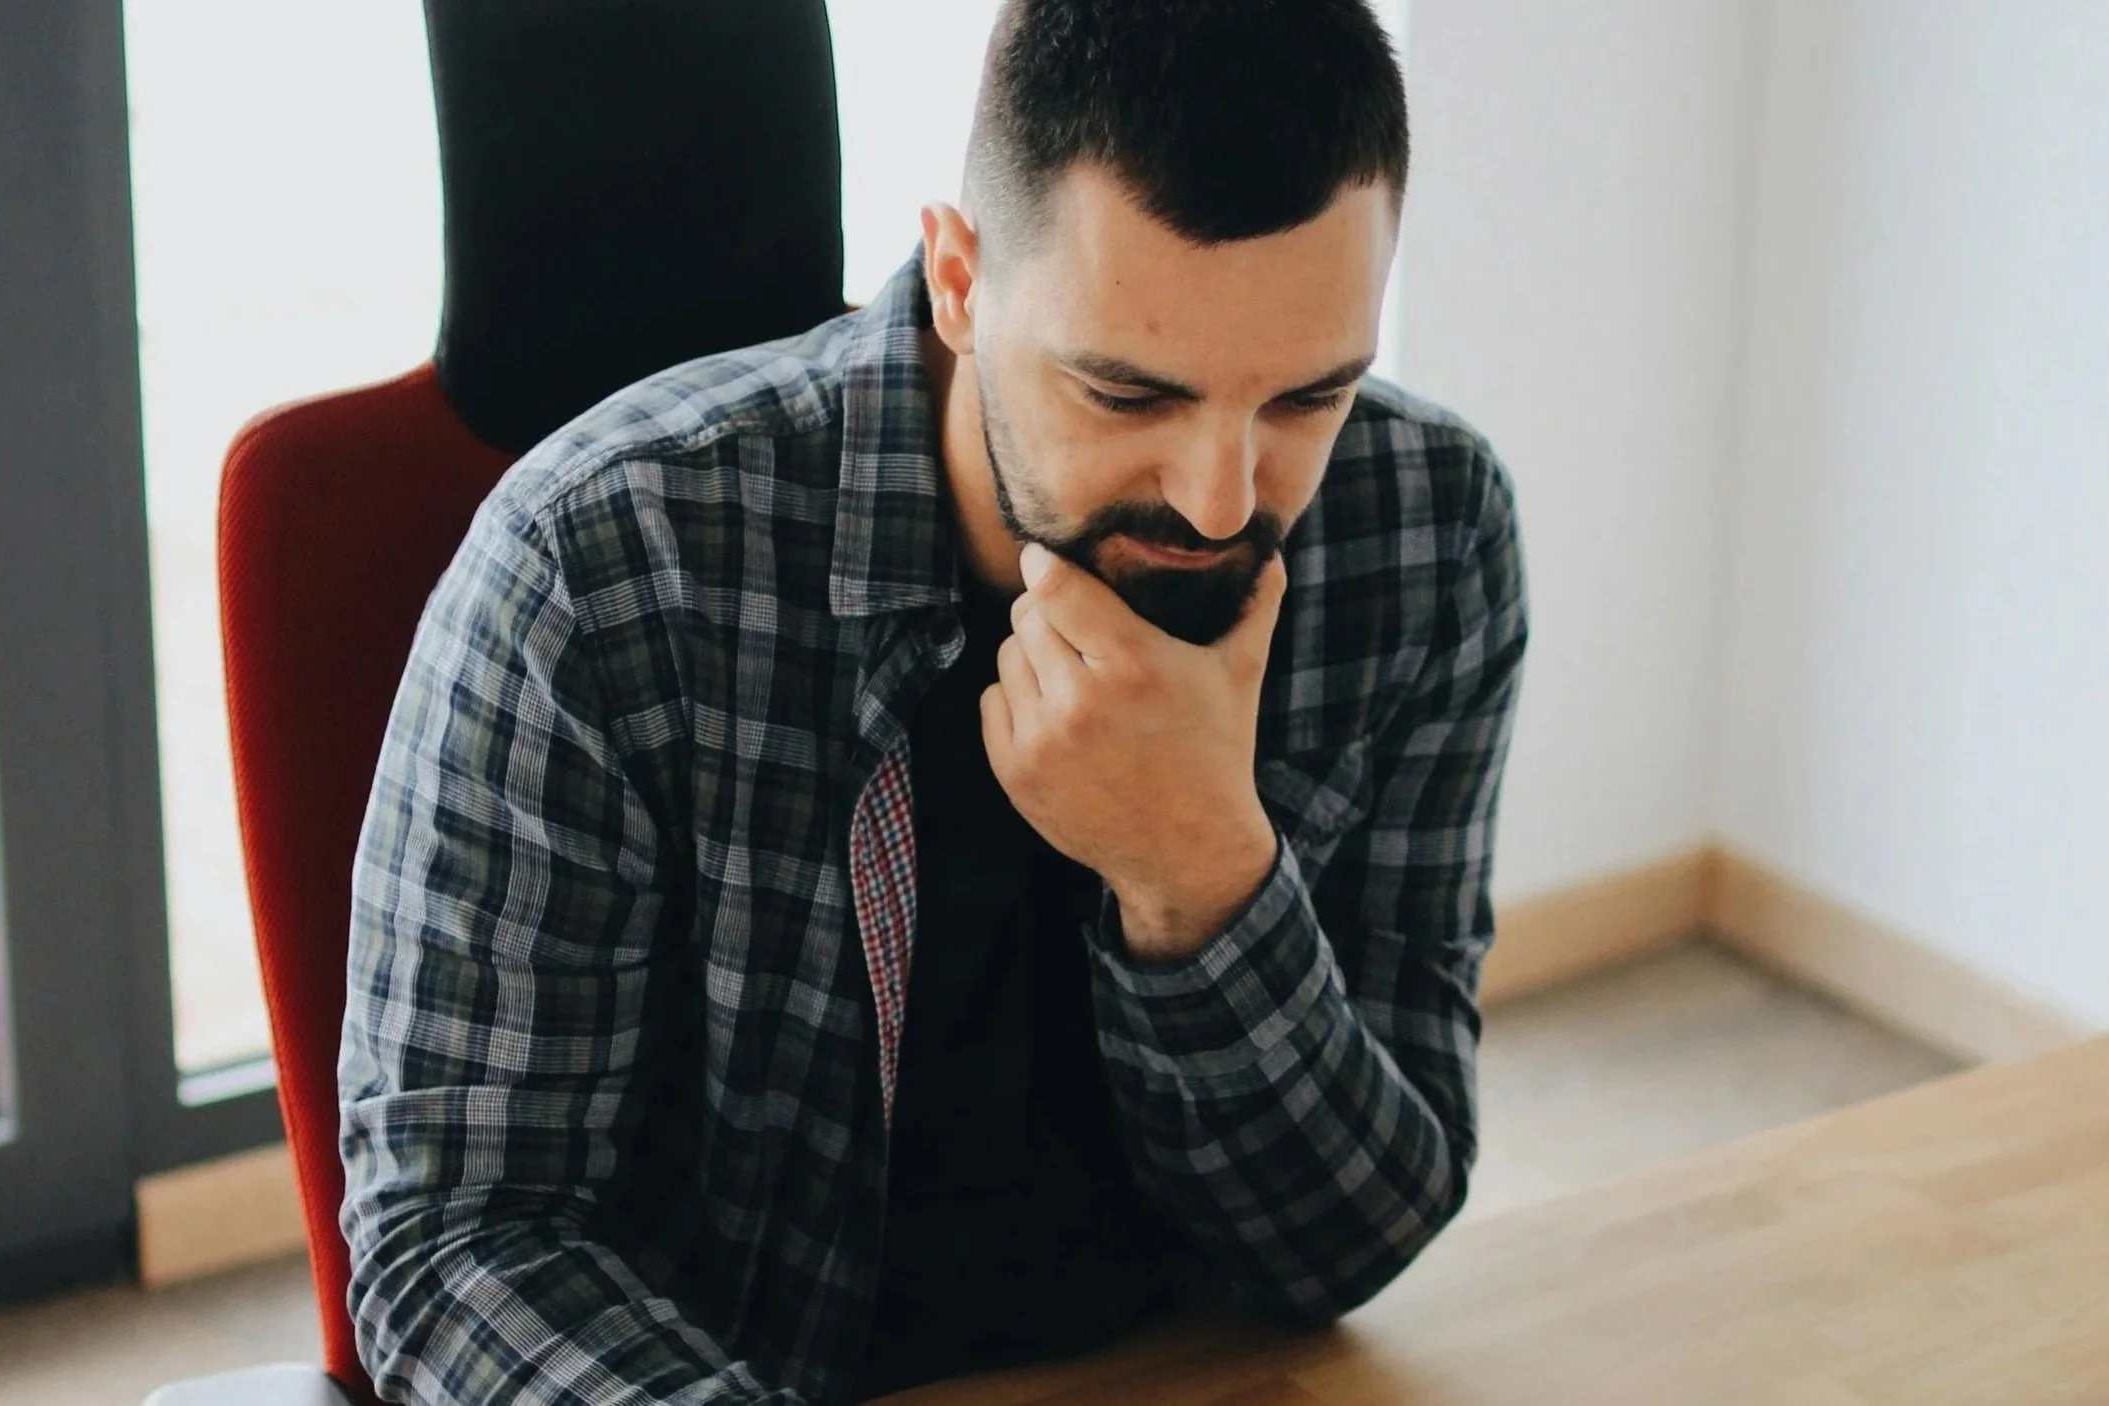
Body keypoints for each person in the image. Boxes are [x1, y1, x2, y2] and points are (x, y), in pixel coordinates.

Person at [339, 1, 1527, 1401]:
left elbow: (1346, 1246)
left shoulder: (1424, 528)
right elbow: (454, 1243)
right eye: (1127, 393)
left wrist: (1198, 868)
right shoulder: (598, 571)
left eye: (1304, 398)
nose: (1221, 497)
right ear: (959, 281)